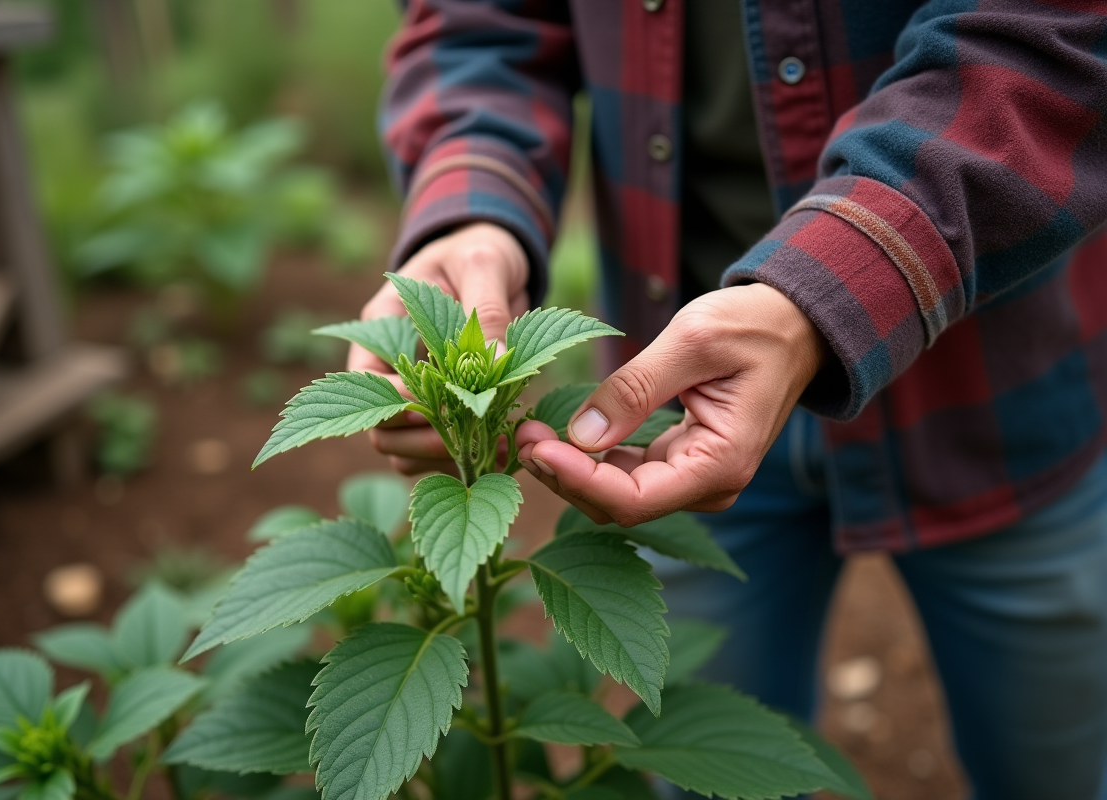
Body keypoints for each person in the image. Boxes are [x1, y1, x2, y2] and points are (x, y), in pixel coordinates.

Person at [350, 2, 1107, 797]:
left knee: (1049, 768)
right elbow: (480, 25)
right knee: (708, 773)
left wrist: (825, 288)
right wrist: (473, 213)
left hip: (989, 384)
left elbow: (1053, 33)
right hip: (680, 398)